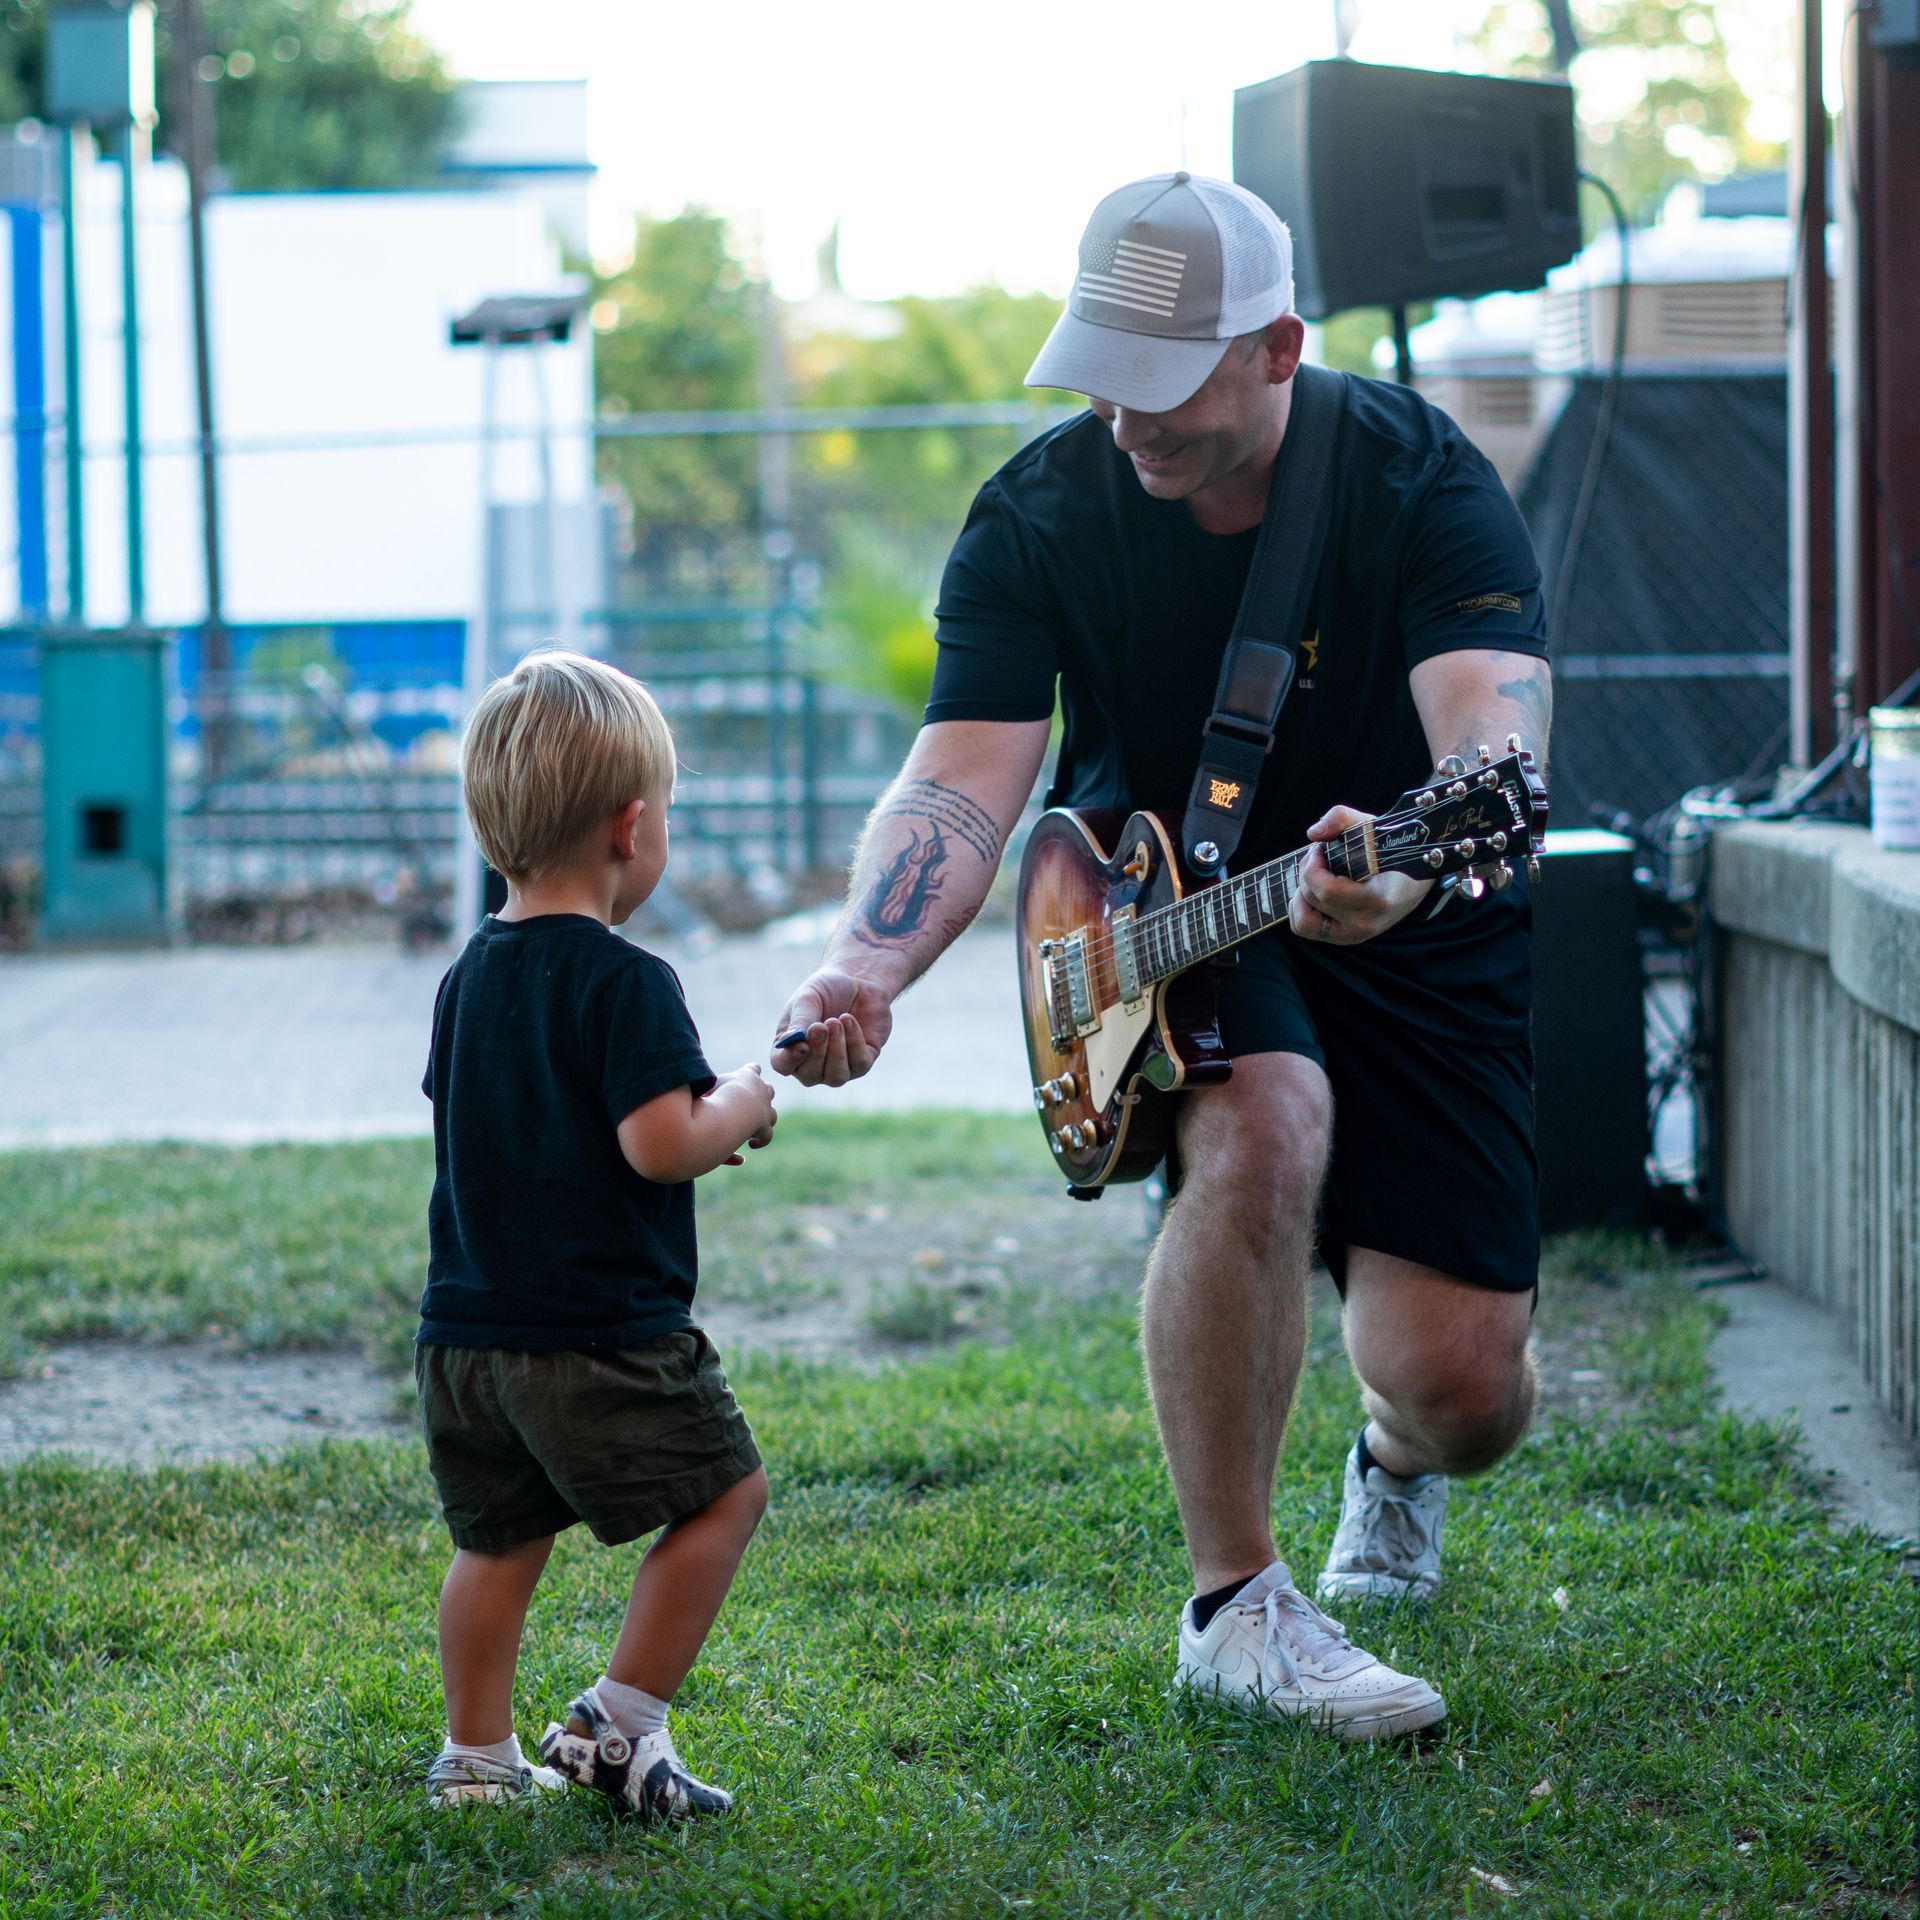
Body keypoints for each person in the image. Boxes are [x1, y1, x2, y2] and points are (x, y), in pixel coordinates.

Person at [772, 173, 1553, 1742]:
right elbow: (969, 769)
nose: (1124, 422)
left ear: (1276, 346)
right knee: (1263, 1126)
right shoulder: (1040, 512)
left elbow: (1495, 726)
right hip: (1162, 908)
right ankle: (1239, 1608)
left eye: (1165, 382)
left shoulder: (1417, 477)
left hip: (1402, 892)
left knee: (1461, 1392)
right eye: (1100, 374)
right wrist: (868, 963)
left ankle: (1391, 1464)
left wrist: (1404, 865)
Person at [417, 649, 775, 1811]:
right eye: (665, 813)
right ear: (632, 829)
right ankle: (619, 1725)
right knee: (726, 1494)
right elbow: (659, 1142)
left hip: (467, 1338)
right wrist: (745, 1105)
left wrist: (697, 1109)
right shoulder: (627, 981)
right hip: (597, 1333)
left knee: (499, 1541)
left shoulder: (468, 977)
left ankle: (476, 1758)